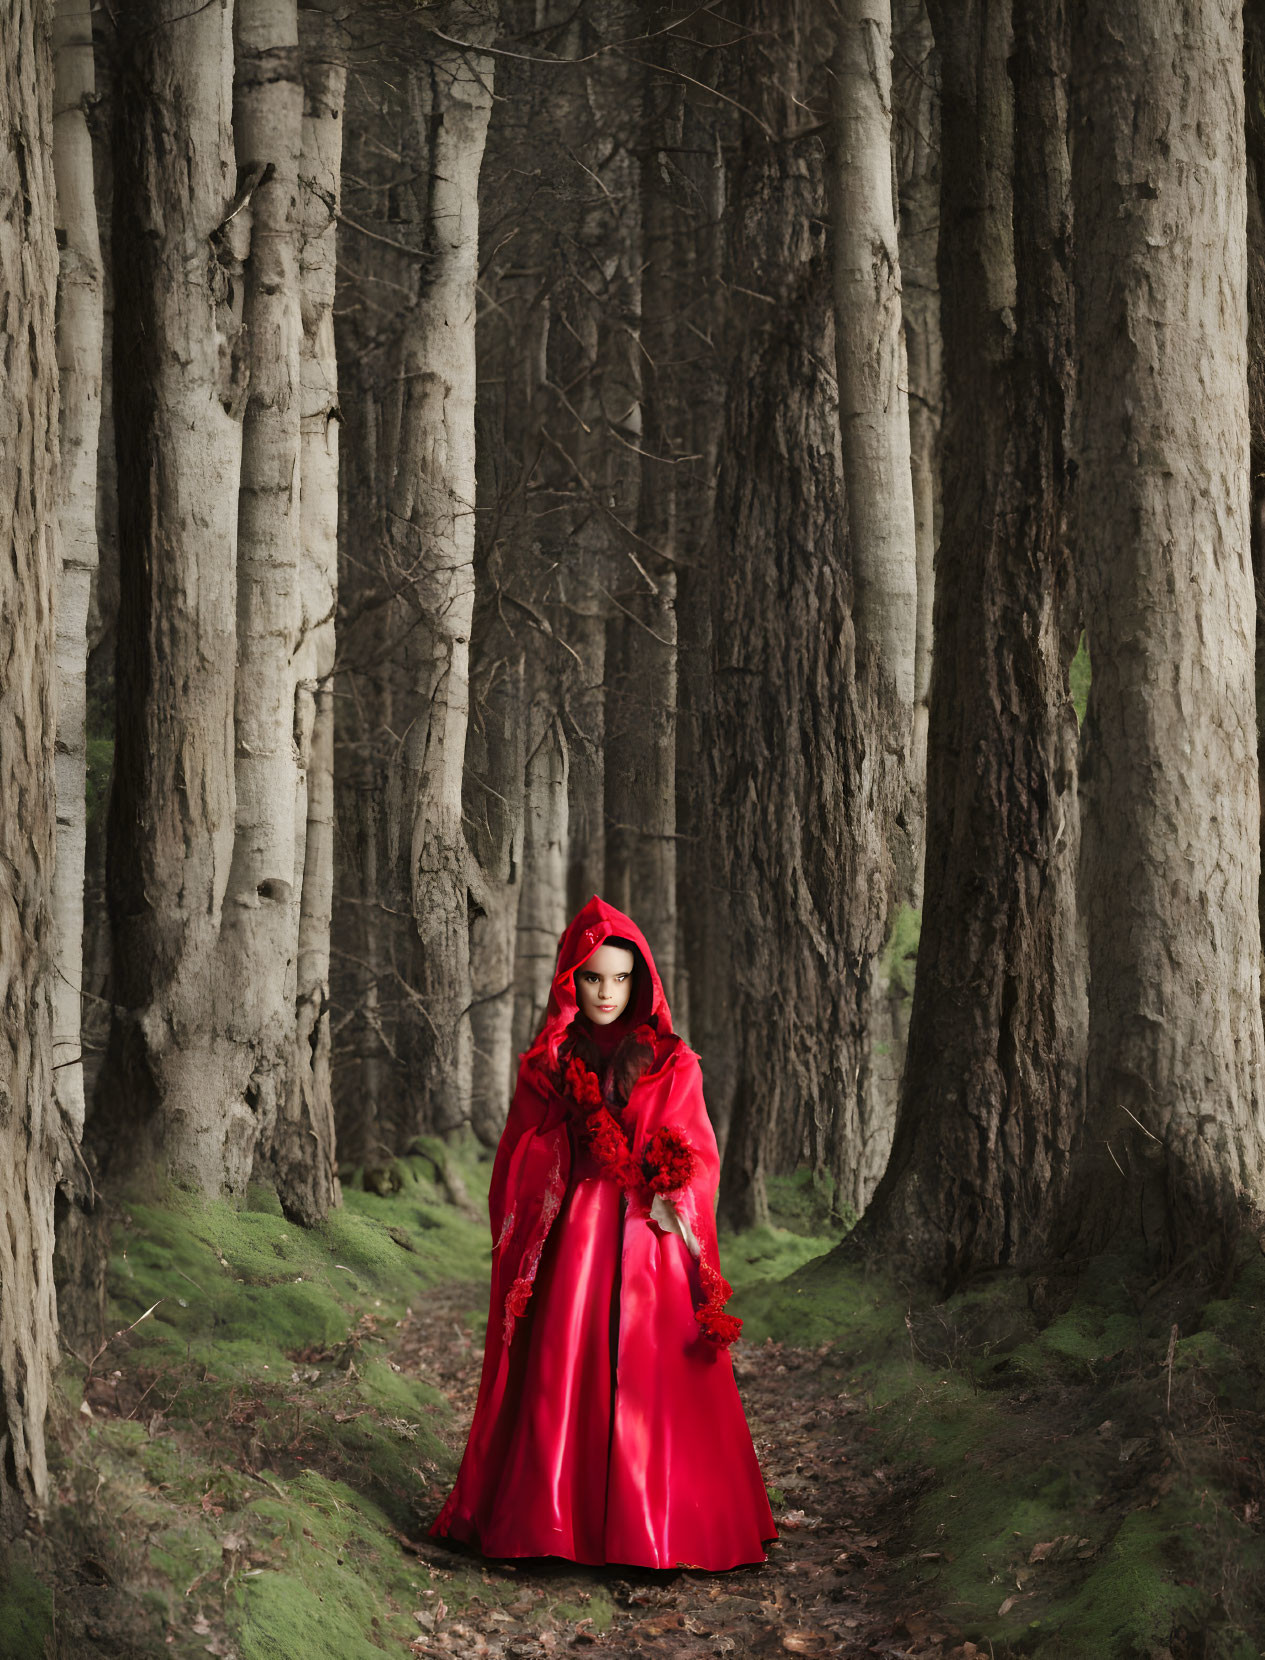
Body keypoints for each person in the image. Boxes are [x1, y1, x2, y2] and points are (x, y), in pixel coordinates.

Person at [430, 895, 776, 1570]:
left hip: (650, 1238)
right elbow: (517, 1153)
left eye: (620, 978)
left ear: (640, 981)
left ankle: (666, 1527)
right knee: (563, 1374)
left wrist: (669, 1174)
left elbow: (697, 1152)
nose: (607, 992)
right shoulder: (549, 1062)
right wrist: (567, 1139)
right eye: (592, 977)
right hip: (575, 1245)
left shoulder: (674, 1062)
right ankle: (553, 1523)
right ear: (570, 981)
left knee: (655, 1378)